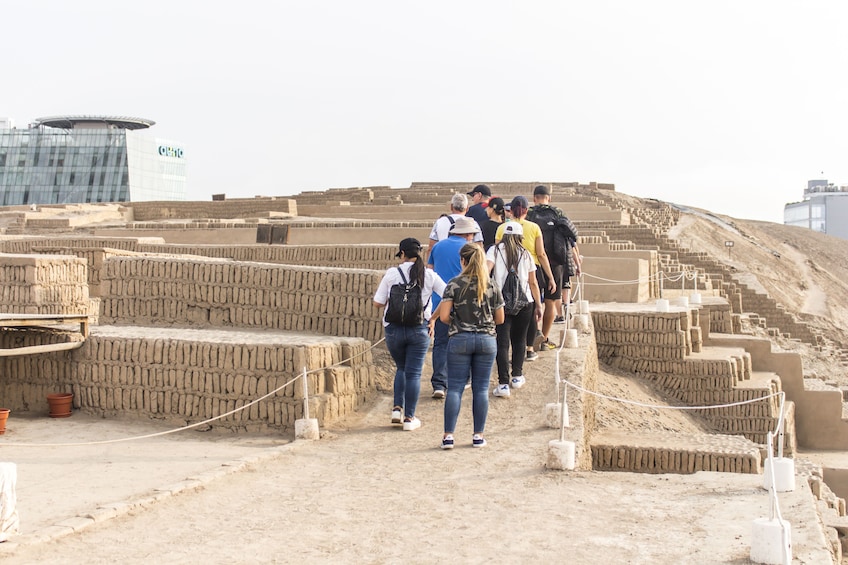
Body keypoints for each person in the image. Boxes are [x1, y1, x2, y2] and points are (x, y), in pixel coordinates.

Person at [373, 238, 446, 431]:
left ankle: (396, 409)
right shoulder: (428, 275)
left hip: (393, 330)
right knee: (413, 373)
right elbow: (449, 295)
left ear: (403, 254)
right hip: (418, 329)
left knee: (401, 368)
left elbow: (377, 302)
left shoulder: (391, 273)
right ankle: (409, 418)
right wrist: (433, 318)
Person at [438, 243, 504, 449]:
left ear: (463, 261)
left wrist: (458, 323)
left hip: (460, 339)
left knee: (455, 388)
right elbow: (500, 318)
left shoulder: (454, 284)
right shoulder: (491, 285)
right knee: (481, 389)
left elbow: (443, 316)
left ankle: (449, 435)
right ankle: (478, 435)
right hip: (486, 340)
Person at [495, 195, 555, 362]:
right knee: (531, 310)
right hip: (530, 272)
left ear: (511, 210)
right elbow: (541, 254)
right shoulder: (534, 227)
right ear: (526, 211)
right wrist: (550, 277)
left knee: (506, 313)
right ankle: (529, 348)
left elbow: (498, 251)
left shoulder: (502, 228)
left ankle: (505, 352)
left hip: (506, 276)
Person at [486, 222, 542, 395]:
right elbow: (533, 282)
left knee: (502, 342)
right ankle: (517, 375)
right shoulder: (526, 254)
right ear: (520, 237)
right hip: (525, 302)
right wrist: (539, 304)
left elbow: (485, 272)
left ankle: (503, 383)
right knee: (520, 340)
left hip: (501, 302)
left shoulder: (493, 251)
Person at [427, 216, 480, 398]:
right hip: (465, 302)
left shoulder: (437, 247)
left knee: (441, 343)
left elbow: (430, 270)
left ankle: (439, 384)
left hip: (440, 302)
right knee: (466, 341)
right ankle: (464, 378)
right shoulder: (470, 250)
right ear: (467, 234)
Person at [527, 185, 580, 343]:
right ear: (549, 198)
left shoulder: (529, 214)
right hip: (556, 263)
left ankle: (535, 332)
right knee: (550, 302)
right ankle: (544, 338)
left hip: (534, 262)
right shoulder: (558, 213)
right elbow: (571, 237)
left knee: (534, 300)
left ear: (534, 198)